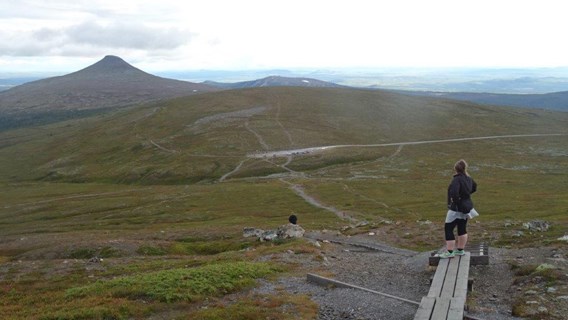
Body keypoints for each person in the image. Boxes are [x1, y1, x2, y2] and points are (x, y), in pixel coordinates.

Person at [438, 159, 479, 258]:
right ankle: (460, 250)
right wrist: (466, 196)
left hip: (456, 209)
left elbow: (454, 193)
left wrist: (456, 202)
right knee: (462, 228)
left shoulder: (456, 179)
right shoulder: (469, 178)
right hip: (466, 207)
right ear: (465, 168)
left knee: (448, 228)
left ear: (455, 169)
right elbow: (474, 187)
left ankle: (450, 252)